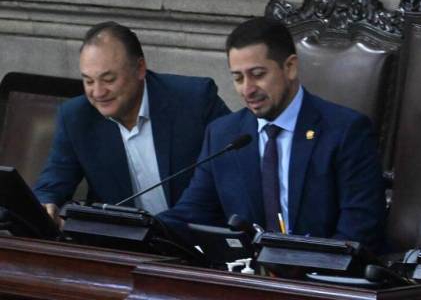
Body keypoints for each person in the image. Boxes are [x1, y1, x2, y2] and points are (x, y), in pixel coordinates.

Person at [158, 17, 385, 251]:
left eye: (257, 74)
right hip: (249, 277)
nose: (247, 89)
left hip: (321, 278)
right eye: (238, 78)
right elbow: (191, 214)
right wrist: (142, 230)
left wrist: (306, 270)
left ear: (290, 67)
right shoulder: (223, 135)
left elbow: (360, 228)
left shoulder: (346, 131)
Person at [33, 21, 230, 222]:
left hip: (196, 240)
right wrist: (46, 204)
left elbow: (235, 171)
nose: (98, 92)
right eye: (89, 81)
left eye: (109, 79)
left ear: (140, 69)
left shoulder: (195, 100)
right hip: (121, 246)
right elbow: (52, 184)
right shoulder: (76, 116)